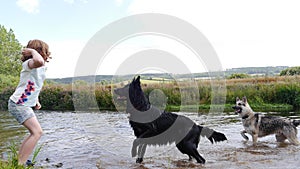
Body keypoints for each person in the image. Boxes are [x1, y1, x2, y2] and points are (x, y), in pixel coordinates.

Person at [8, 39, 51, 166]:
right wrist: (32, 51)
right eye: (45, 51)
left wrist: (35, 100)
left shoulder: (39, 67)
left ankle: (20, 160)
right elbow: (38, 61)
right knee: (37, 132)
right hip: (18, 104)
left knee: (35, 132)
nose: (47, 54)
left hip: (23, 104)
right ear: (40, 52)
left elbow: (32, 85)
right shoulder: (30, 63)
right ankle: (20, 164)